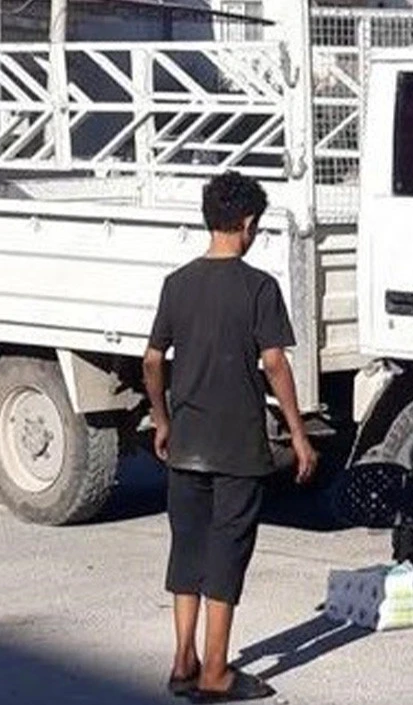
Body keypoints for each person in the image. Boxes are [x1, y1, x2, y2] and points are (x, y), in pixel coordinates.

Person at [142, 170, 318, 703]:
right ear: (246, 224)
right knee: (227, 553)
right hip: (239, 446)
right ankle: (216, 671)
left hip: (186, 443)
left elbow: (152, 360)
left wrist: (163, 418)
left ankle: (182, 662)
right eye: (254, 227)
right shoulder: (258, 287)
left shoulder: (177, 284)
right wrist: (299, 433)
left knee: (187, 548)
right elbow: (275, 364)